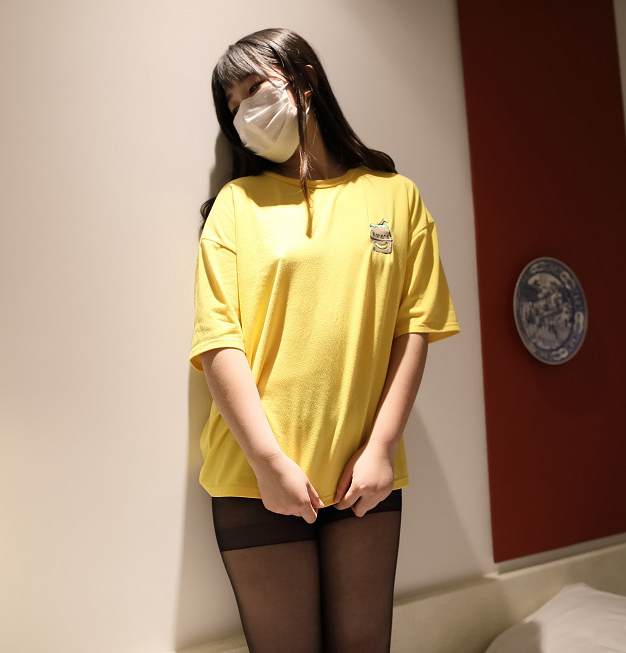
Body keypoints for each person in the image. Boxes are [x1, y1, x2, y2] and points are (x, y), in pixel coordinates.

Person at [190, 28, 460, 653]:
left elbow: (415, 327)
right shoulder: (235, 204)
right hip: (253, 475)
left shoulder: (395, 196)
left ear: (304, 80)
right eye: (232, 105)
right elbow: (217, 341)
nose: (244, 111)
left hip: (364, 472)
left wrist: (382, 446)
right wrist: (268, 462)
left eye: (253, 89)